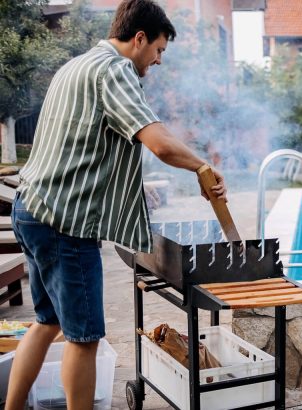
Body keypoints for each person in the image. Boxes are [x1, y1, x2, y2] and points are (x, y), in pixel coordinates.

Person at [5, 1, 228, 409]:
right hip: (64, 222)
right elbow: (159, 142)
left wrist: (134, 187)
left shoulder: (77, 65)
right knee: (84, 338)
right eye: (158, 50)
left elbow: (85, 145)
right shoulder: (115, 70)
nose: (158, 60)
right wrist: (202, 166)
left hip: (31, 207)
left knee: (46, 322)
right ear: (139, 38)